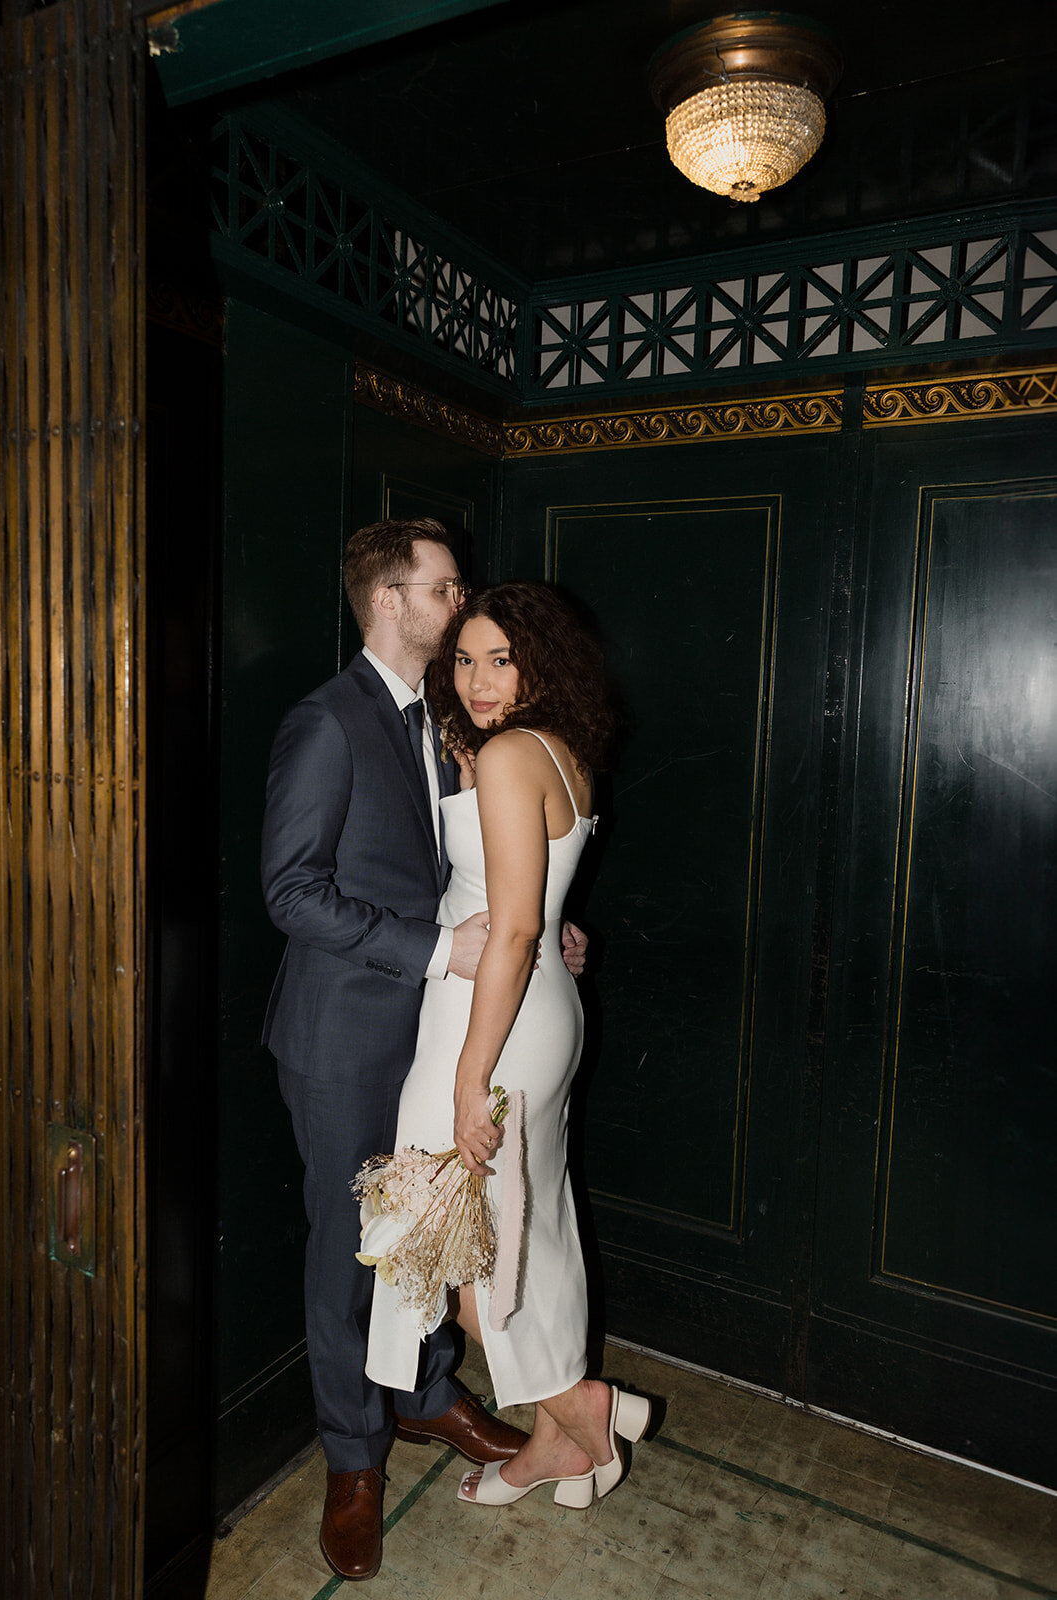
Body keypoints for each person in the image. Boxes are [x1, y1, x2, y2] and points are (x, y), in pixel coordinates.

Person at [260, 521, 587, 1580]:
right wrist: (435, 949)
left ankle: (428, 1392)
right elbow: (290, 892)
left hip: (448, 1026)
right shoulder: (325, 721)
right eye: (445, 589)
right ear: (389, 602)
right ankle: (353, 1459)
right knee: (353, 1243)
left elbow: (485, 866)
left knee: (433, 1229)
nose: (462, 603)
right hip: (348, 1032)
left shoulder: (456, 717)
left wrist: (541, 923)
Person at [365, 581, 651, 1512]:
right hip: (540, 1011)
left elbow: (518, 928)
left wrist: (467, 1082)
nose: (479, 679)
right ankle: (553, 1446)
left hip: (490, 1021)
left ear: (540, 662)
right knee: (525, 1238)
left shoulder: (507, 757)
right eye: (464, 659)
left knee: (452, 1248)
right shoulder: (557, 753)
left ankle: (581, 1405)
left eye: (501, 659)